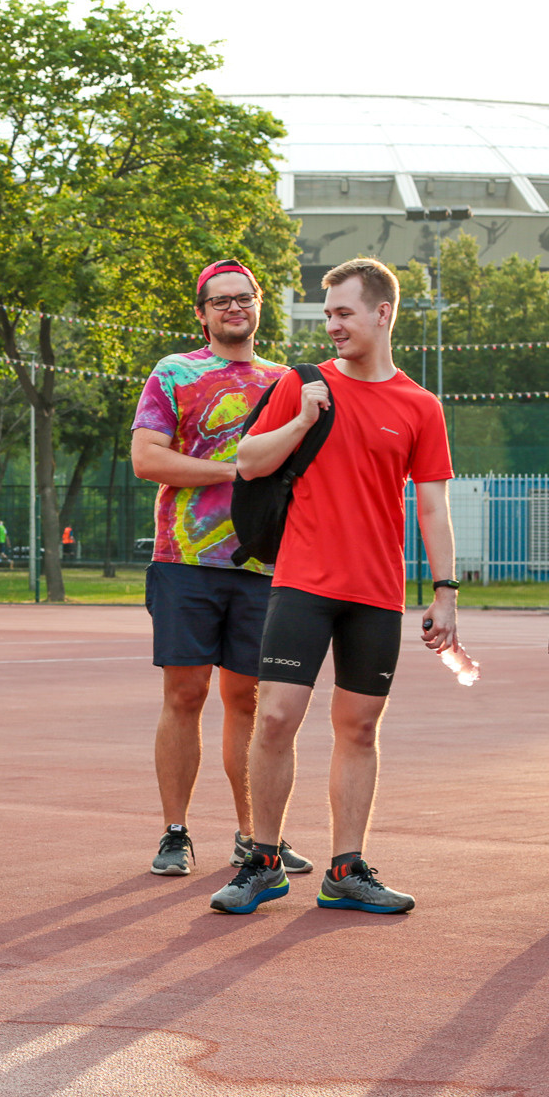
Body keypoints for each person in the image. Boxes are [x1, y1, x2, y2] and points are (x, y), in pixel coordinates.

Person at [208, 257, 457, 917]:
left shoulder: (420, 405)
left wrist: (446, 590)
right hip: (304, 581)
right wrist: (299, 420)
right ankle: (262, 859)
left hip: (376, 589)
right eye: (329, 315)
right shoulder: (303, 383)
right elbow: (247, 460)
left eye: (345, 313)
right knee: (278, 717)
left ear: (383, 313)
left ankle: (347, 868)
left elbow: (432, 506)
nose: (333, 325)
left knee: (360, 726)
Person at [130, 258, 313, 880]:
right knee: (185, 694)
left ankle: (252, 837)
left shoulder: (288, 381)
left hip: (265, 564)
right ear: (203, 313)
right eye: (221, 301)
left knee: (249, 700)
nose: (235, 309)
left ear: (260, 306)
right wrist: (236, 470)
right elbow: (148, 459)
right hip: (183, 559)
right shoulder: (174, 372)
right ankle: (175, 832)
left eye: (245, 298)